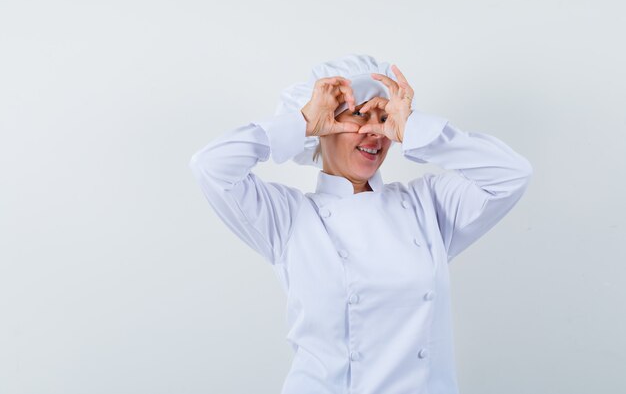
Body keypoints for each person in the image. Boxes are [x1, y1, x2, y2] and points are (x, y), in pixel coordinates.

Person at [189, 54, 532, 394]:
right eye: (356, 115)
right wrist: (302, 121)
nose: (374, 133)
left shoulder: (428, 206)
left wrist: (414, 128)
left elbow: (511, 175)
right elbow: (211, 167)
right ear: (324, 126)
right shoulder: (288, 218)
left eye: (382, 117)